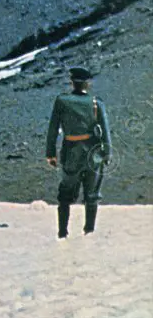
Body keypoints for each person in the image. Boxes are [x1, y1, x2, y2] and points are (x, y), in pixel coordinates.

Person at [46, 67, 112, 238]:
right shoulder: (96, 103)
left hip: (70, 152)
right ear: (87, 83)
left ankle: (62, 233)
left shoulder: (62, 101)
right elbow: (105, 130)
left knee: (65, 193)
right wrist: (107, 153)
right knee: (92, 194)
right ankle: (89, 231)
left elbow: (53, 129)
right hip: (93, 153)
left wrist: (51, 153)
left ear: (72, 82)